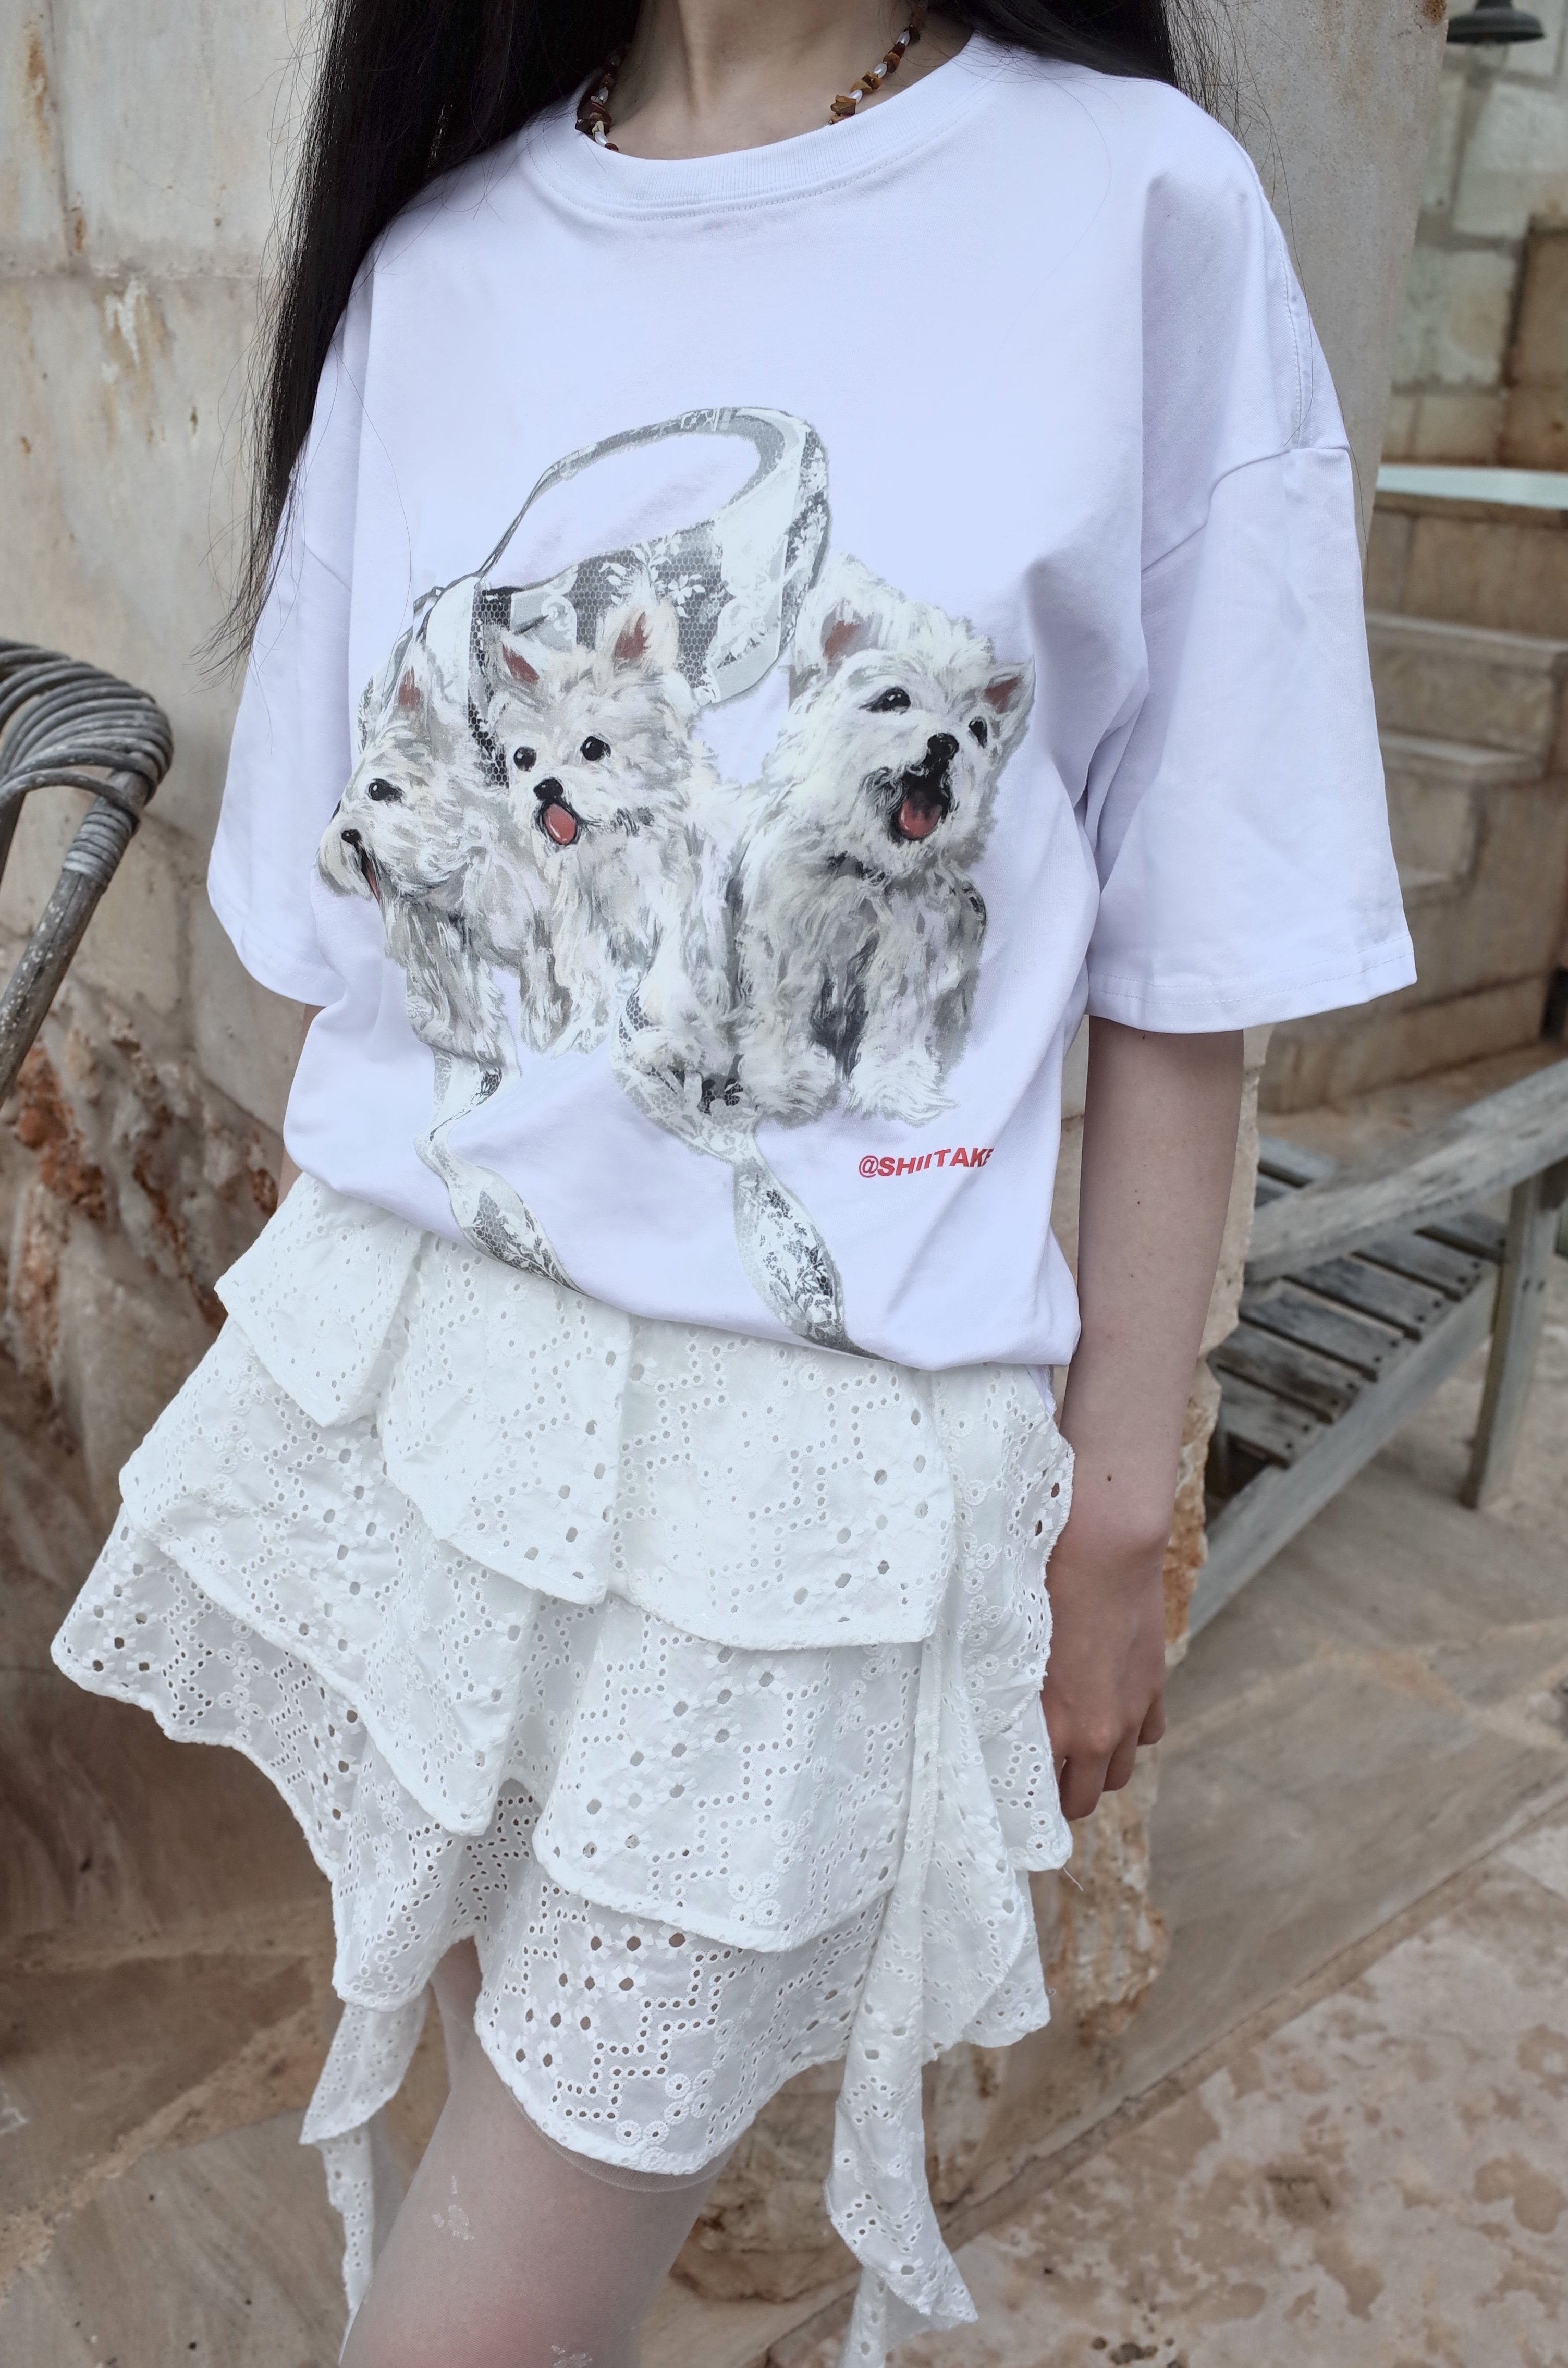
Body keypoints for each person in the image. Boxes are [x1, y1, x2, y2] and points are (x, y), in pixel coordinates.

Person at [52, 3, 1415, 2363]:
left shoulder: (1131, 208)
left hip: (808, 1485)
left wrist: (1117, 1510)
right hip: (441, 1386)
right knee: (501, 2150)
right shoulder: (439, 262)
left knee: (488, 2300)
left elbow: (1194, 940)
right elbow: (341, 922)